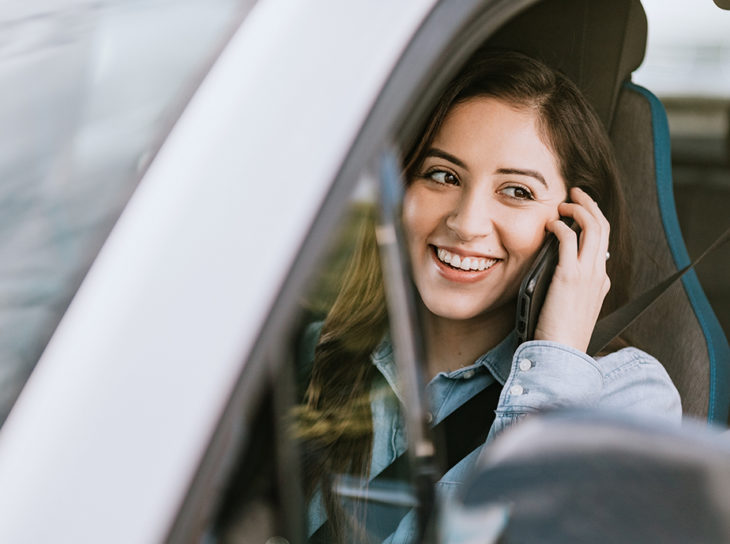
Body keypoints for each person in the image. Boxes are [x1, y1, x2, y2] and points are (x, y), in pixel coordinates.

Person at [295, 51, 682, 543]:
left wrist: (555, 369)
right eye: (443, 176)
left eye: (516, 191)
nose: (466, 223)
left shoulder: (627, 400)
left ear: (577, 229)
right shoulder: (318, 354)